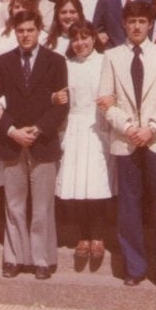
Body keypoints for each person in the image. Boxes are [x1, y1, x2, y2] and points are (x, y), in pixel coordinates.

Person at [97, 1, 156, 296]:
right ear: (123, 23)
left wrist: (152, 128)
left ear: (150, 24)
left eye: (142, 21)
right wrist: (129, 128)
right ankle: (134, 267)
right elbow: (104, 99)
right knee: (129, 206)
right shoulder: (112, 56)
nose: (136, 27)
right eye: (131, 21)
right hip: (126, 139)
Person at [0, 9, 69, 280]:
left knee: (43, 206)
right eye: (20, 31)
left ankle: (42, 259)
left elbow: (61, 105)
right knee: (14, 205)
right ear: (15, 32)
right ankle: (14, 257)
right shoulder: (2, 63)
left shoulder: (56, 62)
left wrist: (39, 129)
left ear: (39, 31)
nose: (25, 35)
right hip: (12, 142)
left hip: (42, 141)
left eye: (30, 30)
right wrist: (12, 131)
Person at [52, 21, 115, 271]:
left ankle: (98, 236)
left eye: (85, 37)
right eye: (75, 39)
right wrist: (55, 97)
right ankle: (83, 235)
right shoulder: (66, 65)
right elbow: (56, 94)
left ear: (94, 39)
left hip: (99, 126)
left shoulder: (105, 61)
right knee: (78, 184)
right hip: (75, 126)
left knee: (97, 184)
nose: (80, 43)